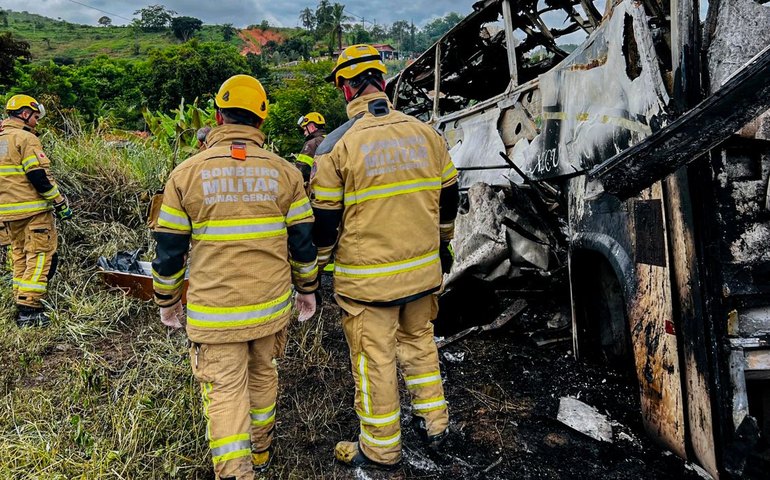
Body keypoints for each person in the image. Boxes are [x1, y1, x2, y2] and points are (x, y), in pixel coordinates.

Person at [151, 74, 318, 480]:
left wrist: (167, 300)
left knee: (225, 392)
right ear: (261, 121)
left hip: (215, 313)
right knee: (263, 376)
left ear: (218, 116)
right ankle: (260, 453)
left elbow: (169, 250)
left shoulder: (185, 174)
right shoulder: (286, 174)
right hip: (270, 309)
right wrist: (308, 290)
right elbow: (303, 243)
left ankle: (236, 473)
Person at [311, 44, 460, 469]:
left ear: (345, 88)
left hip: (368, 284)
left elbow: (324, 221)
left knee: (375, 360)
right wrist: (443, 244)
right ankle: (435, 424)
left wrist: (319, 267)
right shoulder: (427, 134)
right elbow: (449, 198)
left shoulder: (335, 148)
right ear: (382, 80)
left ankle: (380, 449)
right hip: (423, 273)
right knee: (419, 344)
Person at [0, 94, 73, 327]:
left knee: (20, 255)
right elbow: (38, 177)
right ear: (24, 114)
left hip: (8, 214)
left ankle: (21, 299)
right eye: (34, 116)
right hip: (33, 212)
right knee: (41, 255)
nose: (37, 121)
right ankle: (30, 310)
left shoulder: (2, 138)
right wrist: (60, 203)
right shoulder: (25, 138)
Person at [294, 112, 326, 189]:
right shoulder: (329, 139)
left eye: (305, 129)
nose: (304, 133)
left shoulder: (311, 143)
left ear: (311, 127)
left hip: (317, 189)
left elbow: (302, 169)